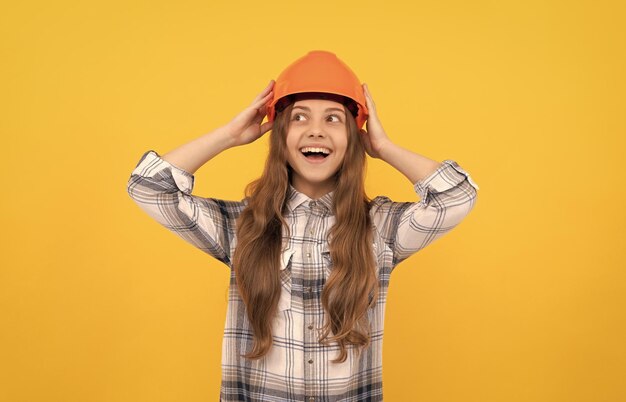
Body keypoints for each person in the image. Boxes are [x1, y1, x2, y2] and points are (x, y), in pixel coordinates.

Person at [126, 50, 479, 401]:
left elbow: (456, 196)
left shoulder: (380, 228)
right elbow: (149, 187)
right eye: (299, 118)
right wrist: (230, 135)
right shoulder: (241, 226)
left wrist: (385, 147)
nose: (316, 131)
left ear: (353, 138)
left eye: (333, 119)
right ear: (280, 134)